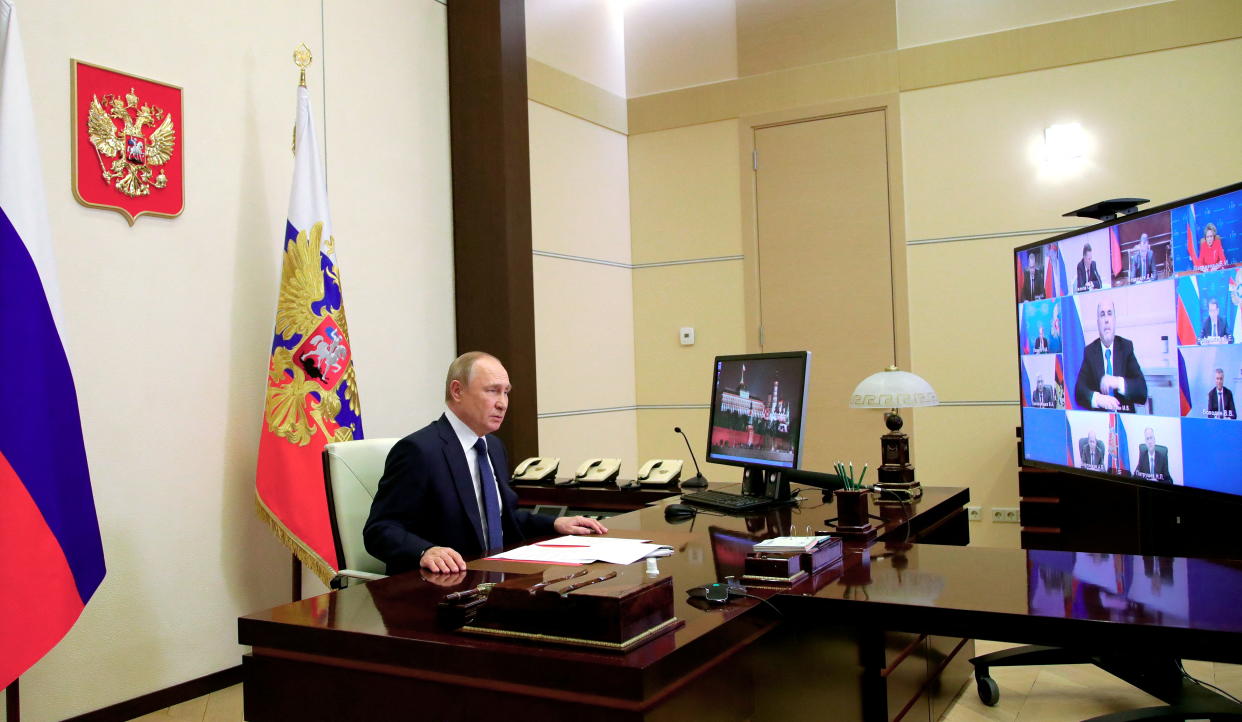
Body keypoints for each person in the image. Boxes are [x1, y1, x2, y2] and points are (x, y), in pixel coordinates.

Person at [364, 352, 607, 575]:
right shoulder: (420, 451)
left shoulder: (493, 447)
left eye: (506, 392)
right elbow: (380, 530)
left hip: (496, 578)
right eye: (492, 391)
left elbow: (500, 518)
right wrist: (424, 551)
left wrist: (555, 522)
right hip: (444, 587)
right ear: (457, 391)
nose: (502, 403)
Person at [1074, 300, 1148, 412]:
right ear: (1098, 323)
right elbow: (1079, 391)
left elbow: (1142, 392)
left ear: (1114, 320)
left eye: (1110, 313)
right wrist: (1098, 399)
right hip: (1100, 422)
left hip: (1124, 420)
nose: (1106, 320)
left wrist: (1117, 382)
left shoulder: (1126, 347)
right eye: (1102, 315)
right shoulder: (1090, 352)